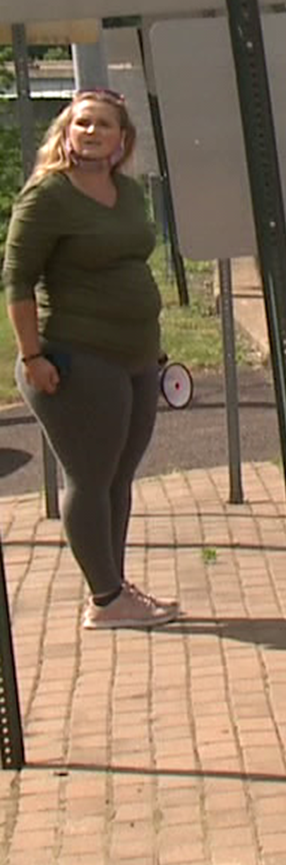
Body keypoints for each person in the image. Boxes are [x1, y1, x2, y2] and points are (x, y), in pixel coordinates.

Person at [4, 89, 179, 629]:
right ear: (66, 131)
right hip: (76, 358)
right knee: (90, 476)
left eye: (103, 124)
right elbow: (17, 279)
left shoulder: (126, 192)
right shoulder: (48, 196)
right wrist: (32, 355)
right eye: (82, 123)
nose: (92, 132)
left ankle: (113, 585)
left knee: (119, 478)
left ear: (122, 139)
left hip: (136, 357)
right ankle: (105, 600)